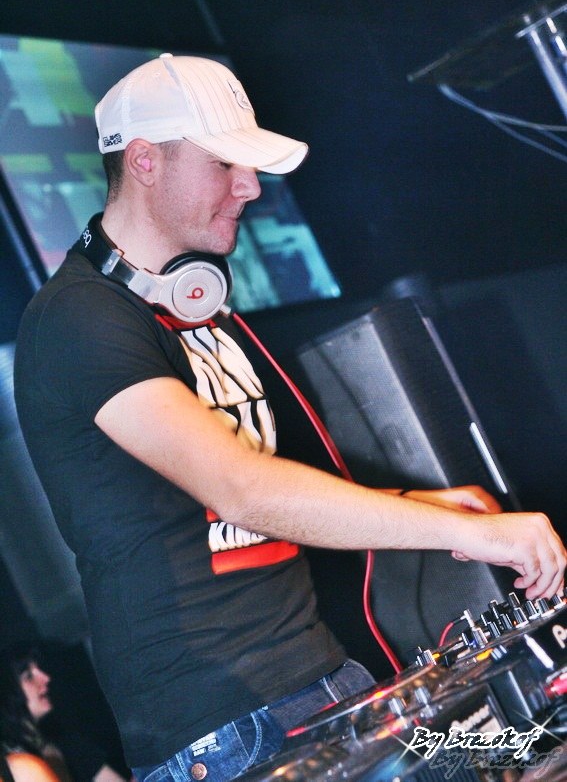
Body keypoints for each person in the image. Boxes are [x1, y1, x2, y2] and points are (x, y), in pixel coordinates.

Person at [13, 53, 566, 782]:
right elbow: (240, 489)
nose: (249, 186)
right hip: (220, 727)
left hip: (317, 677)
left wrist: (420, 504)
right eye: (224, 164)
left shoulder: (191, 302)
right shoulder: (78, 319)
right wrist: (468, 533)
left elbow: (251, 498)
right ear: (144, 161)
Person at [0, 644, 129, 782]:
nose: (46, 678)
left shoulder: (66, 743)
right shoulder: (8, 761)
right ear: (7, 692)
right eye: (29, 676)